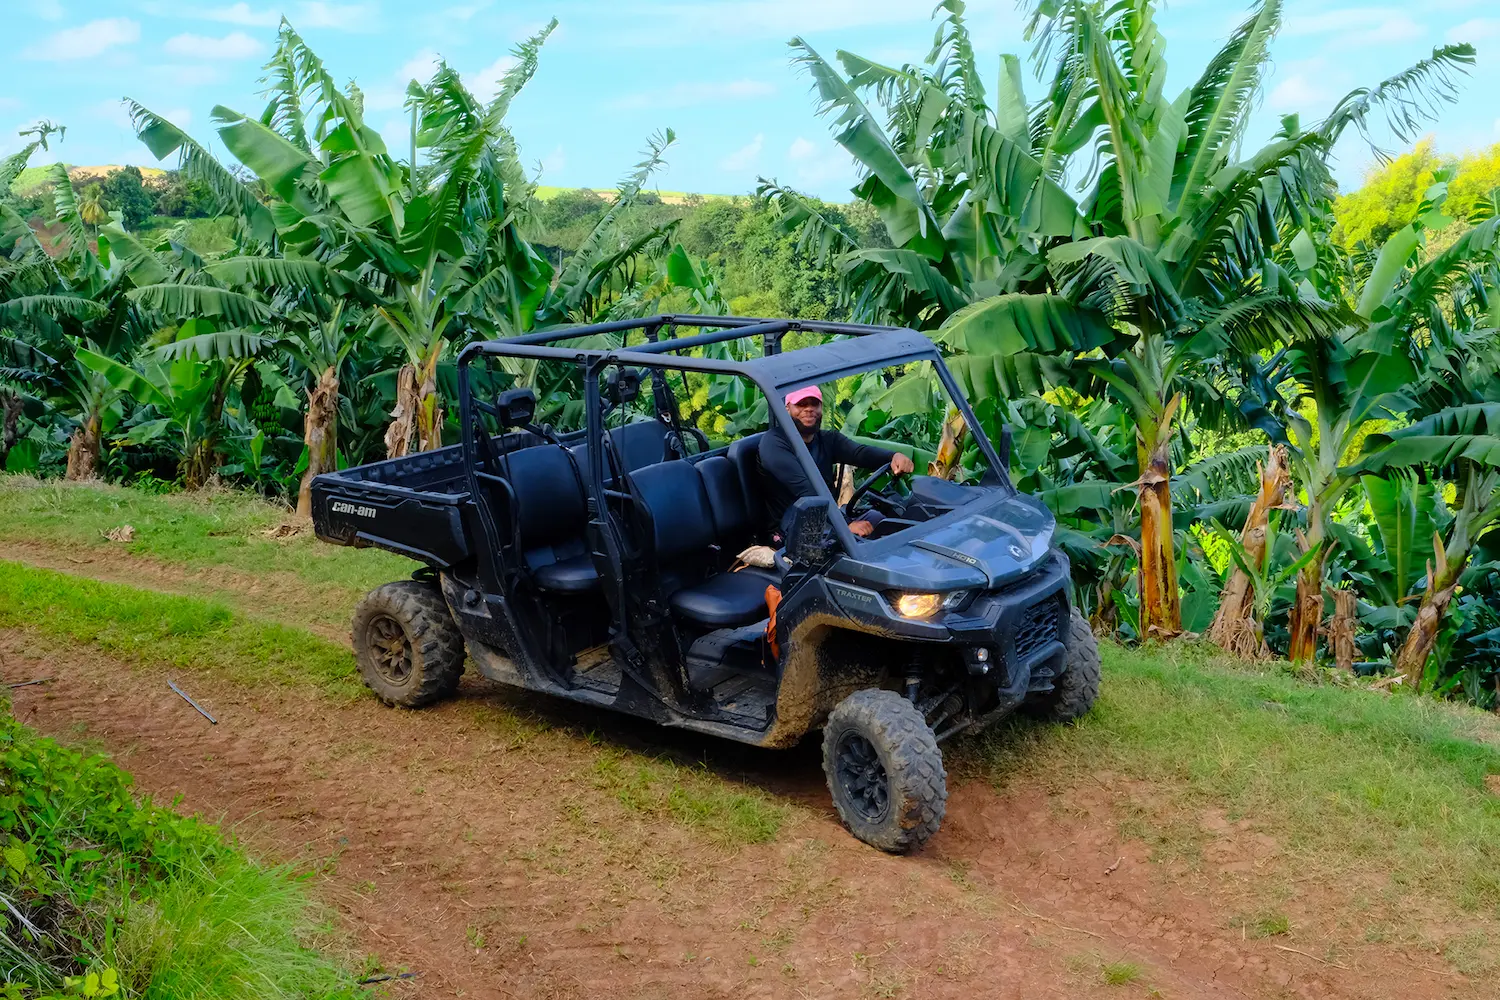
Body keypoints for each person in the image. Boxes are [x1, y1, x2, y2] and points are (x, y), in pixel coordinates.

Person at [758, 384, 914, 539]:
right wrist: (844, 525)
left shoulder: (827, 439)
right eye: (801, 404)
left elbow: (860, 453)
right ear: (787, 409)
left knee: (882, 521)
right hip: (791, 529)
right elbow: (806, 491)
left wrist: (893, 456)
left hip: (826, 519)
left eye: (814, 404)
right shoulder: (774, 443)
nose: (809, 409)